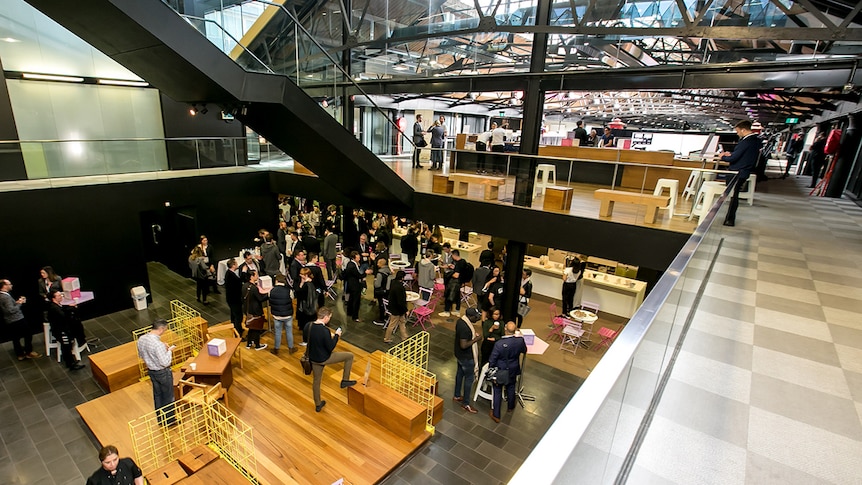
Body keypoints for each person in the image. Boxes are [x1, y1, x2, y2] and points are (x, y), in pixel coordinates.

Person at [304, 307, 356, 412]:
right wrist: (336, 336)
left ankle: (318, 404)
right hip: (324, 358)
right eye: (330, 317)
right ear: (326, 317)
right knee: (349, 356)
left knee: (316, 381)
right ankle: (345, 380)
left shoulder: (308, 326)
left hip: (313, 358)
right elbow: (331, 347)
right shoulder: (325, 331)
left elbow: (306, 339)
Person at [719, 120, 763, 227]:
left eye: (738, 131)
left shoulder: (746, 141)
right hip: (744, 171)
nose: (737, 133)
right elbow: (742, 155)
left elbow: (734, 158)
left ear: (743, 130)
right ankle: (729, 218)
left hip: (738, 172)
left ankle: (730, 219)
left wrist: (723, 157)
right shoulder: (755, 141)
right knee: (735, 195)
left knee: (734, 196)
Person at [136, 318, 175, 424]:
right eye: (165, 330)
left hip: (151, 371)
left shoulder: (142, 339)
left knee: (157, 395)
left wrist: (162, 348)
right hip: (162, 372)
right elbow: (165, 362)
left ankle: (160, 419)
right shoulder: (158, 345)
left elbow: (141, 355)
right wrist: (169, 351)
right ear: (161, 329)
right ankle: (169, 420)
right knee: (168, 396)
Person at [488, 322, 527, 423]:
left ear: (505, 329)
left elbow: (492, 360)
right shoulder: (520, 341)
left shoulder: (499, 344)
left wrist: (490, 370)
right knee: (511, 387)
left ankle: (496, 415)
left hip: (501, 370)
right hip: (513, 368)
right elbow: (524, 350)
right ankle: (510, 406)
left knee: (497, 391)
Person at [1, 279, 40, 361]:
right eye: (9, 284)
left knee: (15, 337)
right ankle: (28, 352)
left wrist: (17, 302)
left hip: (10, 320)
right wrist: (20, 303)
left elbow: (9, 307)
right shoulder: (5, 297)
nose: (11, 285)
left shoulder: (3, 295)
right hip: (16, 319)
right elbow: (11, 310)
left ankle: (20, 354)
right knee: (28, 334)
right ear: (4, 286)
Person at [453, 307, 483, 414]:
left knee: (460, 374)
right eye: (476, 317)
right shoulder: (466, 328)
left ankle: (456, 395)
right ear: (470, 317)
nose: (477, 318)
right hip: (466, 357)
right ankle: (466, 404)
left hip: (459, 355)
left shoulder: (461, 321)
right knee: (469, 380)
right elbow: (464, 344)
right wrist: (476, 339)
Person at [47, 290, 85, 370]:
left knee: (68, 346)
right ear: (54, 298)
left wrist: (70, 307)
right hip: (61, 331)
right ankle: (70, 364)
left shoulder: (57, 305)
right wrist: (71, 309)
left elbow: (63, 309)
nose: (61, 296)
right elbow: (63, 316)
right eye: (58, 296)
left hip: (63, 329)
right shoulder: (54, 308)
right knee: (66, 347)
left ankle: (71, 361)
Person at [242, 272, 268, 351]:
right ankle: (257, 345)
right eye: (256, 275)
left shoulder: (244, 285)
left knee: (251, 327)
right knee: (257, 328)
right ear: (252, 276)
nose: (258, 276)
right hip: (256, 310)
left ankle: (249, 343)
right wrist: (268, 294)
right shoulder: (254, 288)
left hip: (248, 309)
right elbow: (260, 299)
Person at [342, 251, 370, 322]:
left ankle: (349, 312)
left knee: (351, 299)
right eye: (358, 257)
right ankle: (355, 316)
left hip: (351, 284)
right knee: (356, 301)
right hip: (355, 285)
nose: (359, 258)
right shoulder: (352, 266)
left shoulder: (350, 263)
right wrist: (365, 273)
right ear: (354, 258)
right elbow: (358, 275)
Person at [269, 274, 294, 355]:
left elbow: (270, 301)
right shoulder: (288, 291)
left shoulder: (271, 291)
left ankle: (276, 349)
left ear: (276, 281)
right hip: (288, 315)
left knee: (278, 332)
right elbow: (292, 298)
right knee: (289, 332)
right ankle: (291, 348)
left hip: (276, 315)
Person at [295, 267, 319, 344]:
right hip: (312, 307)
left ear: (306, 275)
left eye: (301, 274)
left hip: (306, 308)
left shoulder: (306, 285)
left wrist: (301, 284)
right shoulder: (312, 283)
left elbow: (299, 293)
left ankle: (306, 341)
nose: (300, 275)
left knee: (306, 325)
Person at [384, 271, 408, 344]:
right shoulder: (400, 287)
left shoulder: (393, 283)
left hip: (393, 308)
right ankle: (387, 338)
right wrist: (405, 310)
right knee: (393, 324)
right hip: (397, 309)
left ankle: (404, 337)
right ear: (402, 278)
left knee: (401, 322)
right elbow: (400, 301)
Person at [224, 258, 245, 339]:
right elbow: (239, 283)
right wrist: (243, 272)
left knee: (234, 316)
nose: (237, 265)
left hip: (231, 299)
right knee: (238, 316)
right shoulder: (231, 276)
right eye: (236, 264)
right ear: (233, 265)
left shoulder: (228, 273)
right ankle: (238, 334)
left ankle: (236, 329)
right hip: (234, 300)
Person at [373, 258, 392, 326]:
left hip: (381, 291)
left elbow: (377, 285)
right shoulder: (389, 271)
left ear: (381, 264)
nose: (377, 264)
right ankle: (386, 317)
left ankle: (381, 319)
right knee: (386, 304)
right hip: (387, 291)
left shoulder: (380, 273)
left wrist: (375, 281)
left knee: (381, 305)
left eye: (378, 263)